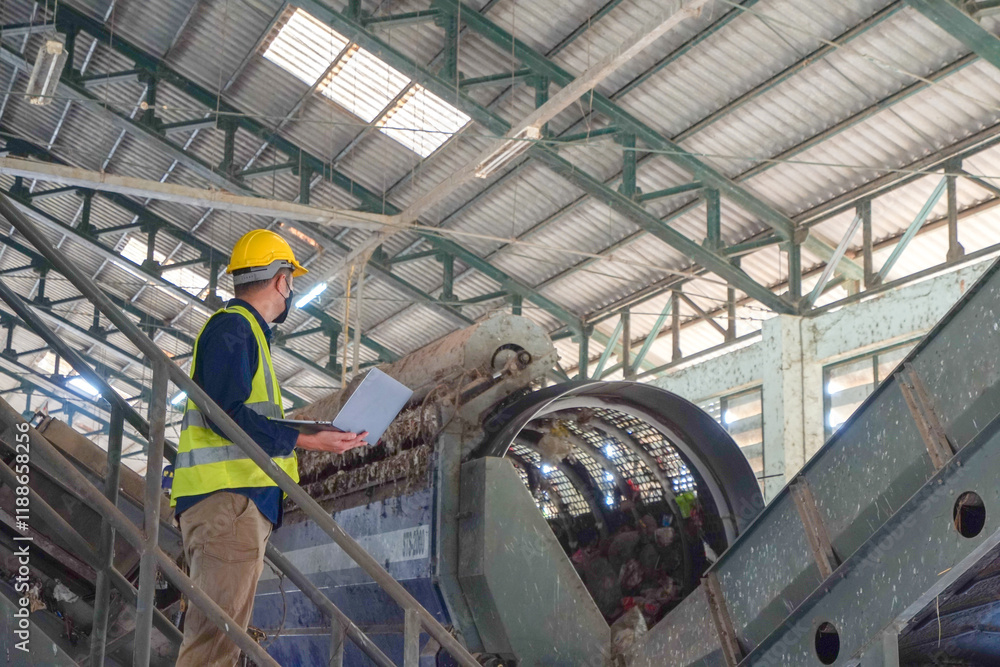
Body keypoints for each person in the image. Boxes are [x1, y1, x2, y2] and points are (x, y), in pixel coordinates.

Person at [171, 229, 367, 666]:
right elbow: (224, 415)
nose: (290, 290)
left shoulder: (245, 334)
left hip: (233, 505)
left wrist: (309, 432)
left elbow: (237, 412)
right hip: (228, 505)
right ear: (281, 280)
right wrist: (305, 437)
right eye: (291, 280)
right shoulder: (233, 329)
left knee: (221, 643)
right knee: (213, 646)